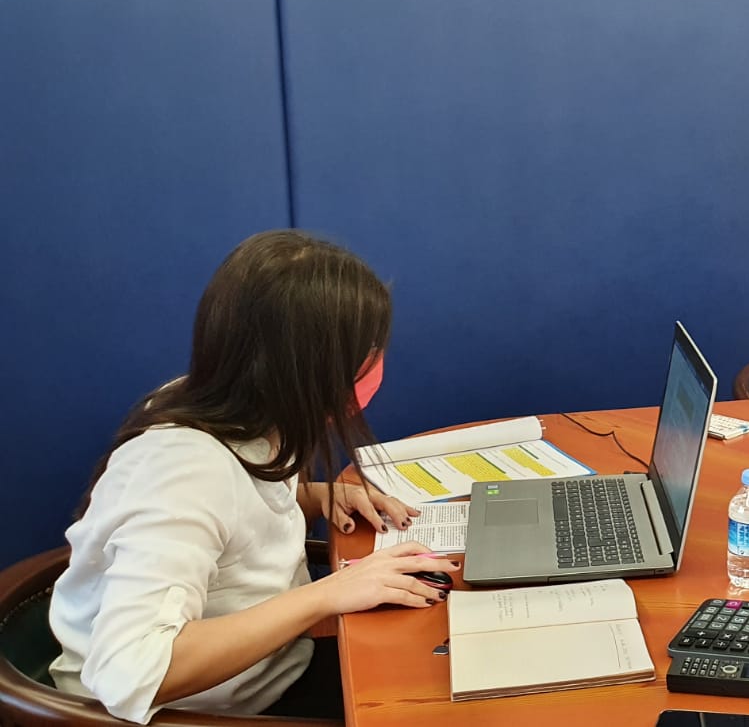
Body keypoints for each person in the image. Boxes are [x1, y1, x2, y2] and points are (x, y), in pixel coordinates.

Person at [48, 230, 454, 724]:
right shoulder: (184, 469)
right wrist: (326, 595)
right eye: (364, 353)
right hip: (197, 711)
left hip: (270, 672)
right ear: (305, 368)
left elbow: (234, 517)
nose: (375, 362)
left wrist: (317, 496)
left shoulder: (243, 411)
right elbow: (131, 672)